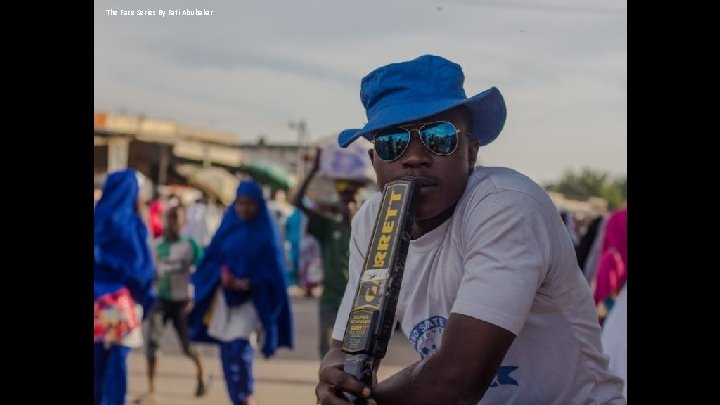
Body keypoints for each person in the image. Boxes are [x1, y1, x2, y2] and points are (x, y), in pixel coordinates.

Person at [315, 55, 625, 404]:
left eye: (439, 137)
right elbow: (345, 347)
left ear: (471, 152)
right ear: (375, 162)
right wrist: (337, 377)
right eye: (392, 143)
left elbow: (456, 379)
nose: (415, 156)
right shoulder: (373, 219)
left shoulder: (506, 206)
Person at [188, 179, 293, 405]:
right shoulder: (229, 227)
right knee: (226, 350)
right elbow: (211, 259)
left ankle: (247, 395)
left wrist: (251, 282)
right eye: (240, 203)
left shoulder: (266, 234)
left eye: (250, 204)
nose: (244, 209)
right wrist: (222, 274)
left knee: (240, 347)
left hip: (252, 302)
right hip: (225, 301)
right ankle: (237, 397)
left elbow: (274, 273)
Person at [292, 151, 364, 358]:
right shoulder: (326, 227)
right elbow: (297, 201)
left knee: (355, 354)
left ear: (358, 204)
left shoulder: (367, 229)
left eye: (353, 200)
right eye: (344, 200)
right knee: (327, 353)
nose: (349, 205)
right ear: (338, 203)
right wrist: (314, 169)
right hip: (330, 301)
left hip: (356, 303)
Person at [94, 168, 155, 405]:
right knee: (116, 367)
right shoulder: (131, 225)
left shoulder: (97, 218)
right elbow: (141, 271)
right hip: (116, 306)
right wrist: (145, 299)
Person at [142, 202, 207, 400]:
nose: (173, 223)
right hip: (161, 299)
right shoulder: (157, 245)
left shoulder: (190, 246)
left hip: (182, 301)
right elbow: (149, 273)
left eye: (176, 219)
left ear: (184, 222)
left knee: (188, 346)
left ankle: (201, 376)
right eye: (169, 218)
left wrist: (196, 297)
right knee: (152, 344)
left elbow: (204, 271)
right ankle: (151, 390)